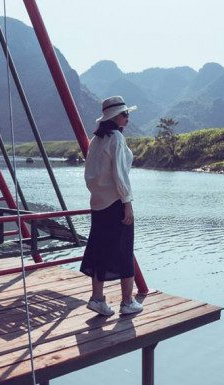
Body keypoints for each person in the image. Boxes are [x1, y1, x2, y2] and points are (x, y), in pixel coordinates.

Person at [80, 95, 143, 316]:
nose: (127, 117)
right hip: (116, 203)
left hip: (98, 204)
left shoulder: (96, 140)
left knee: (100, 249)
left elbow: (90, 175)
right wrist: (127, 203)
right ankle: (127, 302)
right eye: (125, 114)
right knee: (124, 249)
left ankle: (97, 298)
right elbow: (120, 173)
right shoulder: (116, 138)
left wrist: (99, 194)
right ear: (115, 117)